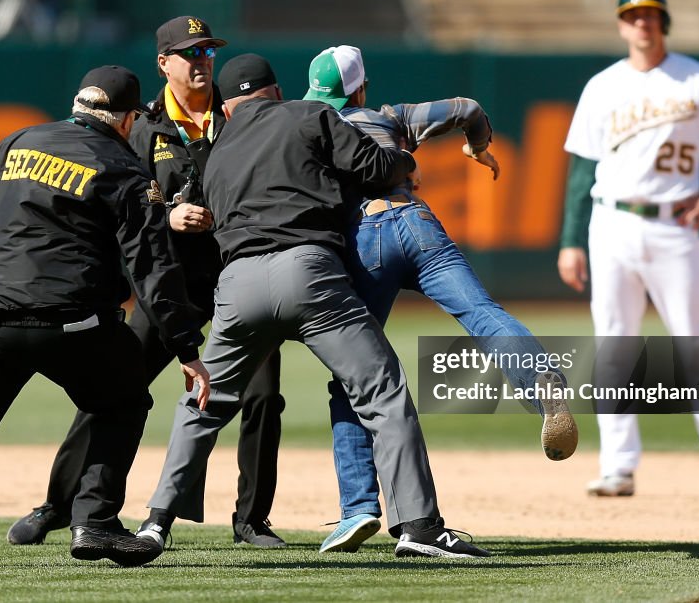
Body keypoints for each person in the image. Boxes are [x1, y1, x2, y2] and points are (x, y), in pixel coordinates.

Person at [139, 53, 490, 559]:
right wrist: (407, 161)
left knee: (202, 402)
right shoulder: (309, 114)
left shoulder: (218, 150)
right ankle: (419, 527)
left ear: (227, 106)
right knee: (381, 390)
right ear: (278, 93)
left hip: (237, 285)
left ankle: (155, 523)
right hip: (308, 273)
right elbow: (373, 166)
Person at [0, 66, 210, 569]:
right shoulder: (123, 167)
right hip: (75, 325)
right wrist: (186, 348)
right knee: (123, 401)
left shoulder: (16, 143)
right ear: (127, 119)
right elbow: (152, 268)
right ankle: (95, 523)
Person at [6, 16, 287, 550]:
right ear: (163, 63)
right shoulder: (141, 126)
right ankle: (58, 504)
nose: (202, 61)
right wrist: (167, 217)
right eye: (190, 53)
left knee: (263, 396)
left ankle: (252, 519)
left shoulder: (239, 113)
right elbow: (116, 206)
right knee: (113, 387)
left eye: (207, 52)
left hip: (240, 274)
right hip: (170, 282)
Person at [300, 45, 579, 553]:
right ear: (362, 89)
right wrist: (477, 147)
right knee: (483, 314)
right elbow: (468, 108)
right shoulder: (392, 118)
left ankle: (358, 508)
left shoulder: (311, 125)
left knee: (353, 375)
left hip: (364, 239)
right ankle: (542, 385)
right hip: (418, 222)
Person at [556, 0, 699, 498]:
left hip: (675, 227)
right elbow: (582, 169)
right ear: (621, 25)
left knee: (696, 342)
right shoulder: (602, 86)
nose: (642, 23)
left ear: (664, 22)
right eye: (633, 15)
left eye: (650, 14)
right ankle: (618, 466)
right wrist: (570, 240)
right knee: (614, 343)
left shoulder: (698, 79)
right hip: (611, 222)